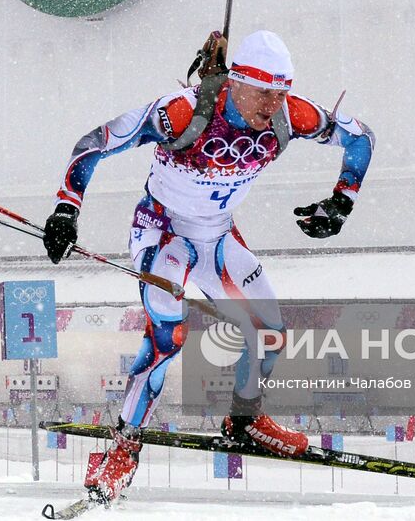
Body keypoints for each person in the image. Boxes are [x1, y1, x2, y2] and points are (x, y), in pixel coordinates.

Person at [41, 30, 375, 505]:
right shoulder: (183, 112)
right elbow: (95, 142)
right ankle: (122, 447)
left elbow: (361, 139)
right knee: (168, 337)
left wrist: (341, 202)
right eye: (263, 92)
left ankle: (244, 420)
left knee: (270, 330)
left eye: (281, 93)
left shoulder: (289, 114)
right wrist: (66, 209)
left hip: (216, 237)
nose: (272, 105)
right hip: (162, 233)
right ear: (236, 81)